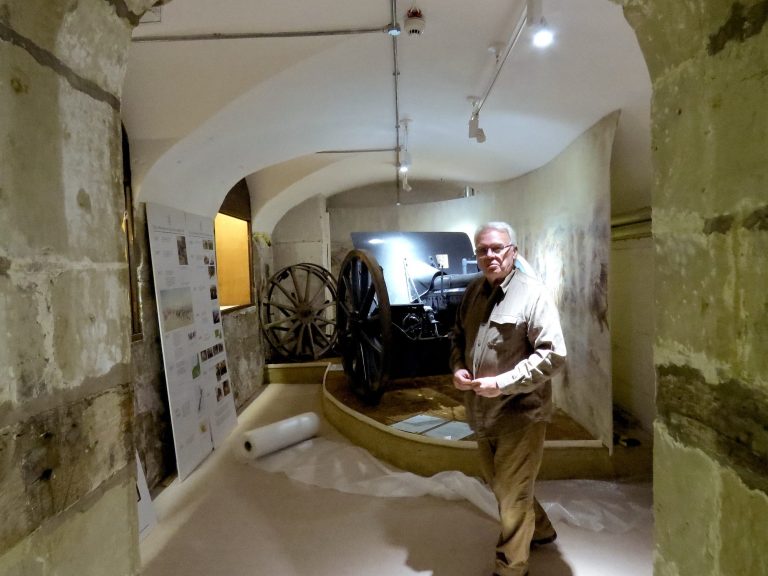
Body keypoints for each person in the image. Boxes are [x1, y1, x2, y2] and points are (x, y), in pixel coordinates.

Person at [450, 222, 567, 576]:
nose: (490, 255)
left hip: (520, 414)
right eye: (482, 250)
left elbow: (553, 354)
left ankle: (511, 567)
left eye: (497, 248)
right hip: (482, 413)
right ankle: (542, 530)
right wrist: (457, 368)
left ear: (512, 251)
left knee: (513, 498)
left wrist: (503, 383)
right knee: (503, 488)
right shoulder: (473, 293)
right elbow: (457, 338)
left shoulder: (532, 294)